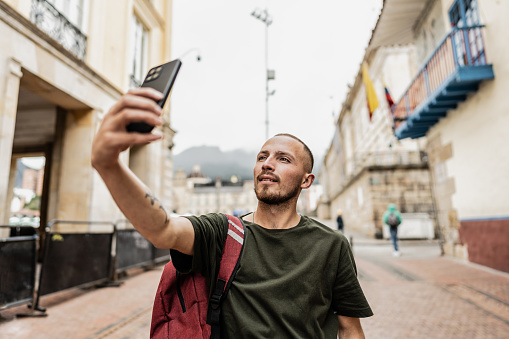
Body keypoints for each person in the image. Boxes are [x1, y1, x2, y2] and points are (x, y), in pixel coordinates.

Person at [91, 88, 373, 338]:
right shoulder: (223, 233)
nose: (267, 164)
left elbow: (349, 329)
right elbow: (162, 229)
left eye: (283, 159)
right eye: (262, 157)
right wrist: (109, 164)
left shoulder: (332, 245)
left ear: (306, 180)